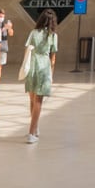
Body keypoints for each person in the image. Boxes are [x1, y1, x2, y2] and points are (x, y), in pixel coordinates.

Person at [22, 9, 59, 144]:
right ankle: (32, 132)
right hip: (44, 66)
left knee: (32, 99)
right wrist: (51, 74)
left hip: (32, 65)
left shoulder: (33, 33)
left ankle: (35, 127)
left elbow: (27, 50)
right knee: (39, 100)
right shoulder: (53, 35)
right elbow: (53, 58)